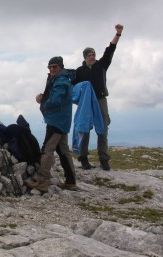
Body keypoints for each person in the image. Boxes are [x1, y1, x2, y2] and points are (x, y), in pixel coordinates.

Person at [72, 24, 124, 171]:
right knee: (85, 129)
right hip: (86, 103)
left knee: (103, 129)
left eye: (93, 54)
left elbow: (110, 49)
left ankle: (104, 159)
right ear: (85, 57)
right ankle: (83, 158)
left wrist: (118, 34)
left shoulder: (101, 65)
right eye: (89, 55)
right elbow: (71, 87)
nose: (92, 57)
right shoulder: (79, 72)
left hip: (100, 100)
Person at [26, 56, 77, 191]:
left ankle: (43, 180)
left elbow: (56, 100)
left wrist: (42, 101)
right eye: (50, 67)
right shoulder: (62, 79)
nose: (52, 69)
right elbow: (54, 96)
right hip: (62, 120)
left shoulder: (61, 81)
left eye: (54, 66)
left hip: (57, 121)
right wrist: (44, 96)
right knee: (63, 150)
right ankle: (71, 181)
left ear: (61, 67)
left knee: (47, 149)